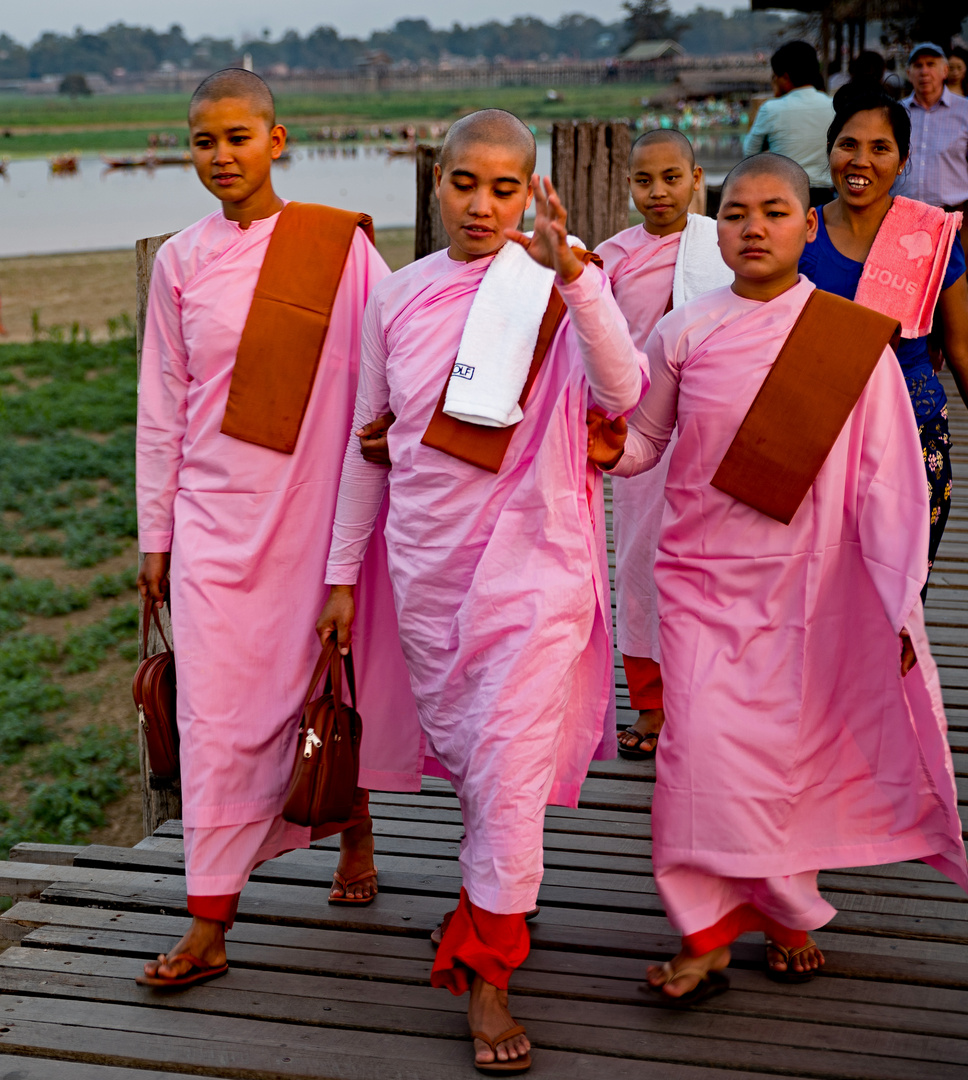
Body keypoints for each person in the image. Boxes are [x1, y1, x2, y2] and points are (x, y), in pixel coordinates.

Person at [594, 151, 968, 1003]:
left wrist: (896, 599)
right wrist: (606, 448)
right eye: (732, 213)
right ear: (714, 228)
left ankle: (786, 904)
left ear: (809, 226)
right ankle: (705, 928)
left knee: (786, 751)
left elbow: (887, 480)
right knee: (697, 750)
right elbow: (645, 443)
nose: (751, 226)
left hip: (808, 585)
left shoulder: (845, 339)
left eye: (771, 211)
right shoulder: (682, 330)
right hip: (700, 577)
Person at [317, 109, 644, 1072]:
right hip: (427, 569)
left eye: (506, 188)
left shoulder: (561, 279)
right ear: (436, 183)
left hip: (534, 568)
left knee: (503, 772)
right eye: (466, 184)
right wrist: (342, 574)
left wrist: (575, 276)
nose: (483, 205)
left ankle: (489, 974)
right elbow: (368, 444)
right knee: (474, 765)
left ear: (532, 191)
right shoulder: (399, 295)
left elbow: (620, 390)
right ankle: (482, 902)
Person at [136, 68, 424, 993]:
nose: (220, 156)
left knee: (327, 682)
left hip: (315, 511)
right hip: (213, 522)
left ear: (276, 138)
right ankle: (208, 919)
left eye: (236, 138)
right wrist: (155, 533)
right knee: (211, 716)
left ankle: (355, 831)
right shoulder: (178, 261)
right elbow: (162, 406)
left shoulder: (334, 247)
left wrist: (393, 423)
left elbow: (395, 345)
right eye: (202, 141)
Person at [804, 90, 968, 571]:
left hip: (911, 437)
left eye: (880, 148)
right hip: (815, 442)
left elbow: (965, 348)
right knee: (818, 598)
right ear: (830, 151)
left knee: (901, 595)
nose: (861, 161)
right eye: (848, 145)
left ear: (903, 161)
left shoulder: (928, 236)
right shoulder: (800, 232)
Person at [593, 130, 731, 762]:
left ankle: (711, 701)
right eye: (644, 180)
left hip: (713, 422)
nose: (659, 192)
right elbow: (591, 343)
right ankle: (650, 704)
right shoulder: (612, 257)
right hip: (644, 424)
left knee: (716, 559)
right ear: (628, 186)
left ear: (696, 178)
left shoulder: (723, 243)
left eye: (672, 177)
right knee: (642, 560)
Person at [898, 42, 968, 271]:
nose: (924, 71)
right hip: (903, 216)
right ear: (909, 73)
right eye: (918, 65)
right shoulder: (897, 112)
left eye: (931, 64)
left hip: (954, 216)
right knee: (905, 288)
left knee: (956, 287)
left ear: (945, 71)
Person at [744, 41, 836, 205]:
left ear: (784, 77)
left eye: (775, 77)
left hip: (785, 196)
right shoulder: (833, 106)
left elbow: (749, 154)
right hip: (826, 197)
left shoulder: (771, 109)